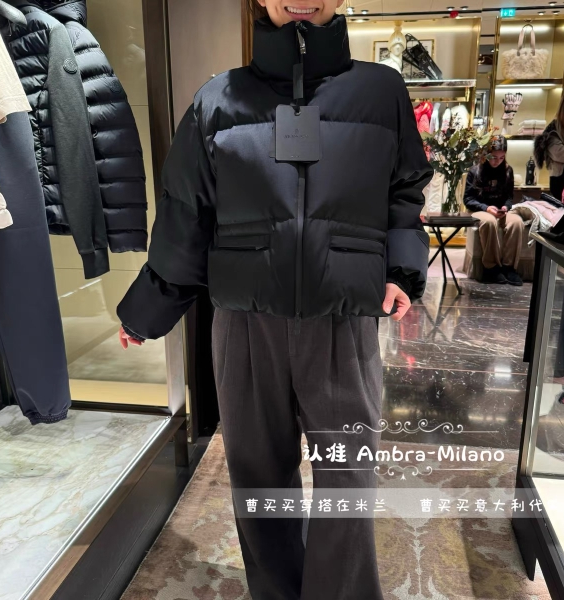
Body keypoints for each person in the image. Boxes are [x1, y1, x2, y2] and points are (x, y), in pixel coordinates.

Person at [116, 1, 433, 599]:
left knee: (348, 478)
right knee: (259, 477)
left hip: (343, 323)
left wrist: (401, 265)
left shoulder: (380, 92)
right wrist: (151, 306)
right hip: (244, 325)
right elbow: (187, 213)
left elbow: (404, 190)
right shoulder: (216, 101)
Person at [463, 135, 524, 285]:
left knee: (517, 222)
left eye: (502, 158)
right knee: (489, 222)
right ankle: (491, 268)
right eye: (494, 157)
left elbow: (509, 197)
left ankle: (509, 268)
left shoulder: (508, 171)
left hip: (500, 211)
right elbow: (468, 199)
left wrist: (506, 207)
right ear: (486, 154)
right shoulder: (475, 171)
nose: (498, 161)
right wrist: (486, 208)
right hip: (480, 210)